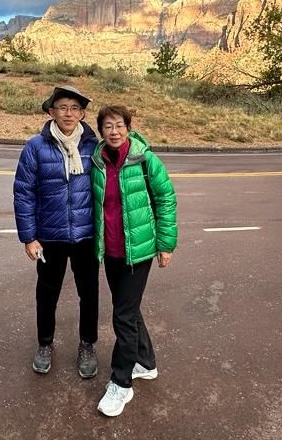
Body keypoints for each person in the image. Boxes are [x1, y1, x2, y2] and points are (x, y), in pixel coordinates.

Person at [90, 104, 177, 417]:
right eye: (107, 126)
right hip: (111, 252)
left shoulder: (144, 159)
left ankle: (121, 383)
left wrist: (166, 245)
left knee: (123, 315)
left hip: (138, 251)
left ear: (128, 127)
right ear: (100, 131)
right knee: (129, 308)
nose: (114, 132)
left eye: (119, 125)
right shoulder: (97, 160)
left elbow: (166, 198)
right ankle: (146, 363)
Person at [13, 85, 100, 378]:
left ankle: (87, 344)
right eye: (62, 107)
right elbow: (24, 192)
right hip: (50, 236)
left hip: (86, 235)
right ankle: (45, 344)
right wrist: (28, 237)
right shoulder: (35, 147)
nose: (68, 113)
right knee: (47, 293)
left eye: (75, 108)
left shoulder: (92, 146)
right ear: (51, 112)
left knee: (89, 293)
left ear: (82, 114)